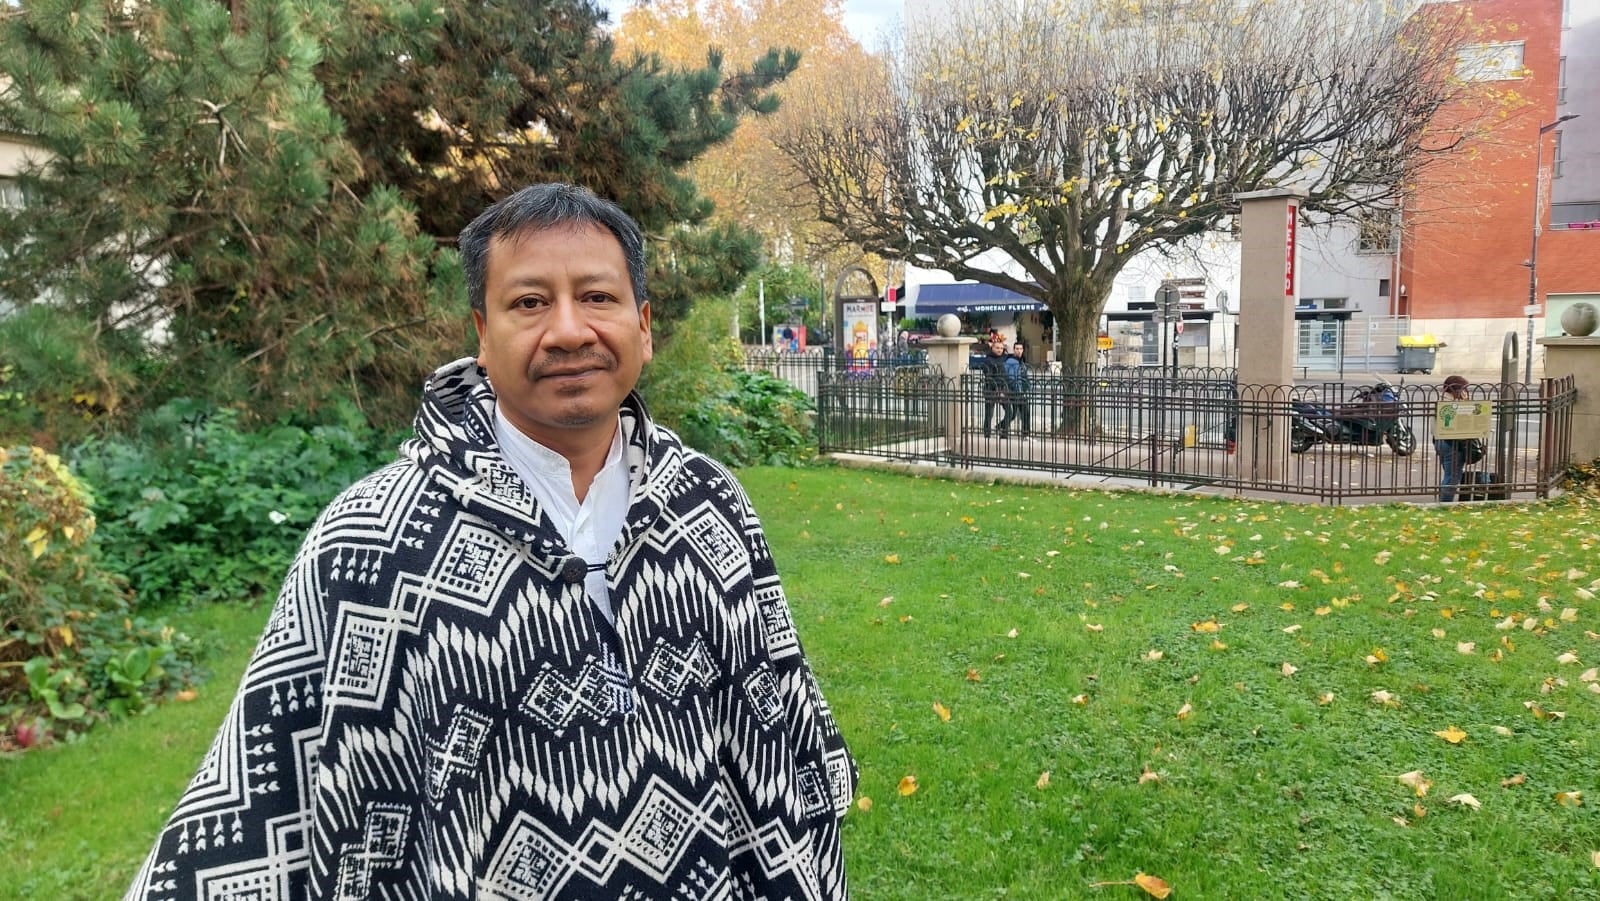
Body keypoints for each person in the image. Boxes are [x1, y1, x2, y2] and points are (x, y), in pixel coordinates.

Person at [127, 184, 856, 899]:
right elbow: (269, 801)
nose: (569, 330)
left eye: (597, 297)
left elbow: (787, 747)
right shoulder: (372, 540)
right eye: (530, 302)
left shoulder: (711, 505)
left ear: (644, 324)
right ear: (482, 333)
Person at [1434, 374, 1473, 502]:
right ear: (1456, 390)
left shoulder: (1440, 399)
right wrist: (1465, 401)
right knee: (1452, 477)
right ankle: (1445, 503)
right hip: (1453, 442)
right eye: (1464, 389)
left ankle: (1444, 499)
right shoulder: (1454, 403)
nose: (1466, 392)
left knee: (1449, 474)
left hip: (1439, 441)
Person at [980, 332, 1012, 438]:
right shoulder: (988, 360)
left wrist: (1005, 388)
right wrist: (998, 389)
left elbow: (1005, 375)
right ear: (992, 347)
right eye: (997, 348)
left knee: (1009, 412)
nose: (999, 350)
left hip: (1003, 389)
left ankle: (1004, 432)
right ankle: (987, 433)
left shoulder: (1004, 359)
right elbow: (989, 376)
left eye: (1001, 348)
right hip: (991, 389)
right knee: (989, 413)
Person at [1006, 341, 1032, 438]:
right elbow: (1012, 377)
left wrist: (1028, 387)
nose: (1019, 351)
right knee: (1018, 413)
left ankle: (1025, 433)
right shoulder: (1012, 361)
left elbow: (1024, 377)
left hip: (1020, 391)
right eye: (1017, 349)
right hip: (1015, 391)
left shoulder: (1021, 361)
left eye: (1021, 349)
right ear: (1013, 350)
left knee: (1021, 413)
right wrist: (1019, 390)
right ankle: (1025, 434)